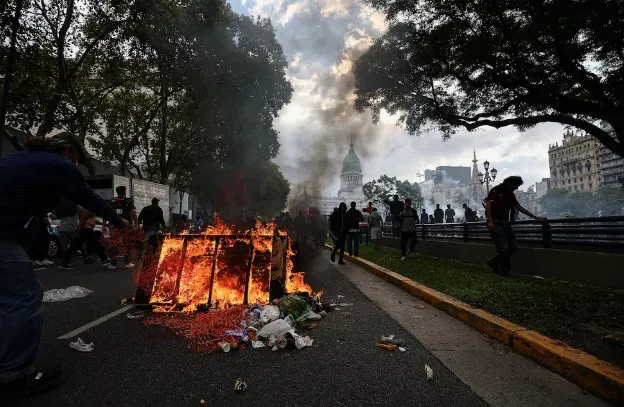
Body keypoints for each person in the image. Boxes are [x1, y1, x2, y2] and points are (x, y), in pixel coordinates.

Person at [0, 133, 128, 397]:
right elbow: (89, 198)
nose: (76, 165)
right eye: (77, 159)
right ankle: (14, 376)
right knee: (23, 300)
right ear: (69, 152)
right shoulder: (58, 164)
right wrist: (120, 222)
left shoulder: (17, 160)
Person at [484, 176, 547, 275]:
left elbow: (519, 207)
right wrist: (490, 221)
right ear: (510, 183)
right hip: (496, 222)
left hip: (505, 223)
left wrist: (535, 217)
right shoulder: (496, 190)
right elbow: (488, 204)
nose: (516, 188)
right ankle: (504, 270)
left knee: (513, 246)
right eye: (516, 185)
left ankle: (494, 261)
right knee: (503, 247)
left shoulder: (510, 194)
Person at [110, 186, 137, 268]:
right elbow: (133, 212)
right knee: (127, 243)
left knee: (114, 243)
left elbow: (107, 212)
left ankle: (113, 264)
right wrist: (136, 224)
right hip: (126, 226)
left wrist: (105, 224)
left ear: (117, 192)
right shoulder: (128, 200)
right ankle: (127, 262)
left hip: (115, 225)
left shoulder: (112, 200)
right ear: (124, 192)